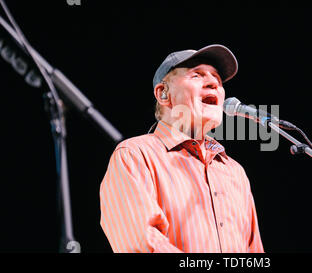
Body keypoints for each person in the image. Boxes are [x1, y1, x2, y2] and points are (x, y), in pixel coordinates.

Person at [99, 44, 264, 253]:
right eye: (197, 75)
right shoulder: (135, 155)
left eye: (218, 79)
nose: (214, 83)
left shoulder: (235, 172)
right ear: (163, 94)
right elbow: (140, 243)